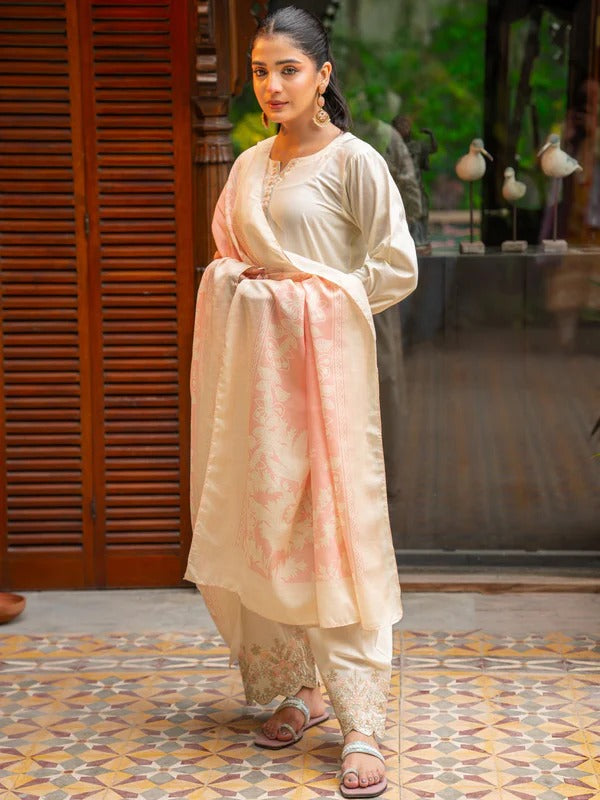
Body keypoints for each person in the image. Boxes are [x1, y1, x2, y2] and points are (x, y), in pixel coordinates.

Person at [184, 6, 418, 798]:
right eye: (260, 70)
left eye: (288, 69)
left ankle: (361, 722)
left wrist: (319, 298)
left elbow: (395, 265)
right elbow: (228, 258)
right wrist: (245, 285)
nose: (272, 85)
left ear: (323, 76)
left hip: (327, 379)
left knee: (335, 536)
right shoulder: (250, 165)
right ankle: (298, 689)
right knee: (267, 524)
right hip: (260, 385)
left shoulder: (356, 162)